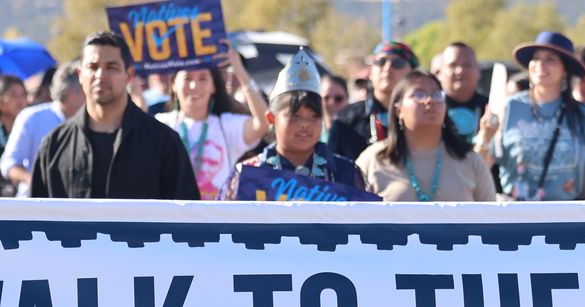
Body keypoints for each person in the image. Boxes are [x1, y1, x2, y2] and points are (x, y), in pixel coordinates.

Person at [31, 32, 201, 201]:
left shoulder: (163, 142)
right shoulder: (54, 146)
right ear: (80, 74)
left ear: (129, 74)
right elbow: (36, 218)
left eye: (111, 67)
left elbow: (187, 218)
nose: (100, 75)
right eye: (93, 67)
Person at [483, 31, 585, 201]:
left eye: (550, 59)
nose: (540, 64)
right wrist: (485, 136)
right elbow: (481, 168)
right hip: (516, 217)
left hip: (567, 219)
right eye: (536, 58)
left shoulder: (584, 116)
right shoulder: (509, 107)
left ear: (565, 70)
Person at [224, 51, 362, 196]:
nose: (305, 124)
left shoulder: (347, 173)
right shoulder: (247, 174)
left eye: (314, 116)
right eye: (295, 115)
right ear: (272, 119)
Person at [355, 70, 497, 202]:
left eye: (436, 94)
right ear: (398, 110)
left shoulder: (469, 160)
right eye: (419, 94)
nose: (430, 100)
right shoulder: (373, 160)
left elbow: (492, 219)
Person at [155, 53, 268, 200]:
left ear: (214, 86)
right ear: (173, 84)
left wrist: (239, 69)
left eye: (202, 78)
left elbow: (264, 122)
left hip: (216, 219)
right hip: (173, 217)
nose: (194, 86)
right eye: (187, 78)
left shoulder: (226, 126)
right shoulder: (161, 125)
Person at [3, 62, 82, 197]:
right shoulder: (32, 117)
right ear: (70, 92)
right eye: (86, 90)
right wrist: (33, 181)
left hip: (74, 208)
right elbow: (9, 163)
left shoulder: (92, 122)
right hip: (33, 208)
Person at [330, 40, 416, 160]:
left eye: (397, 63)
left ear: (412, 74)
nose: (387, 67)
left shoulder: (423, 115)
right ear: (370, 72)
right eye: (381, 62)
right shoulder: (346, 119)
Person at [435, 42, 486, 138]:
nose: (460, 71)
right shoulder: (429, 109)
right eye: (452, 65)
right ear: (439, 73)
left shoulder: (492, 109)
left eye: (467, 65)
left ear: (479, 71)